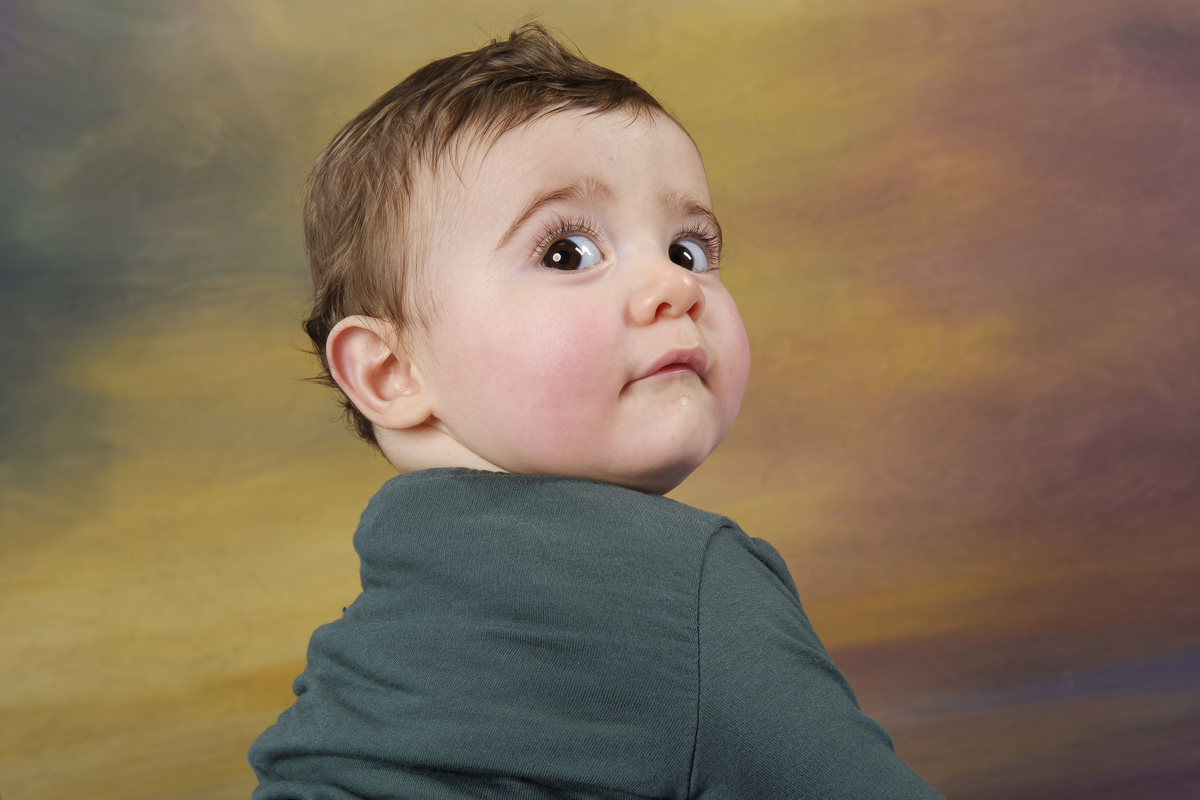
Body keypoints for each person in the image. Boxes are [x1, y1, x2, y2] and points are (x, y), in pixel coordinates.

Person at [248, 23, 944, 799]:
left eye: (688, 249)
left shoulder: (392, 604)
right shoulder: (687, 588)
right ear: (390, 370)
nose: (676, 286)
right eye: (568, 253)